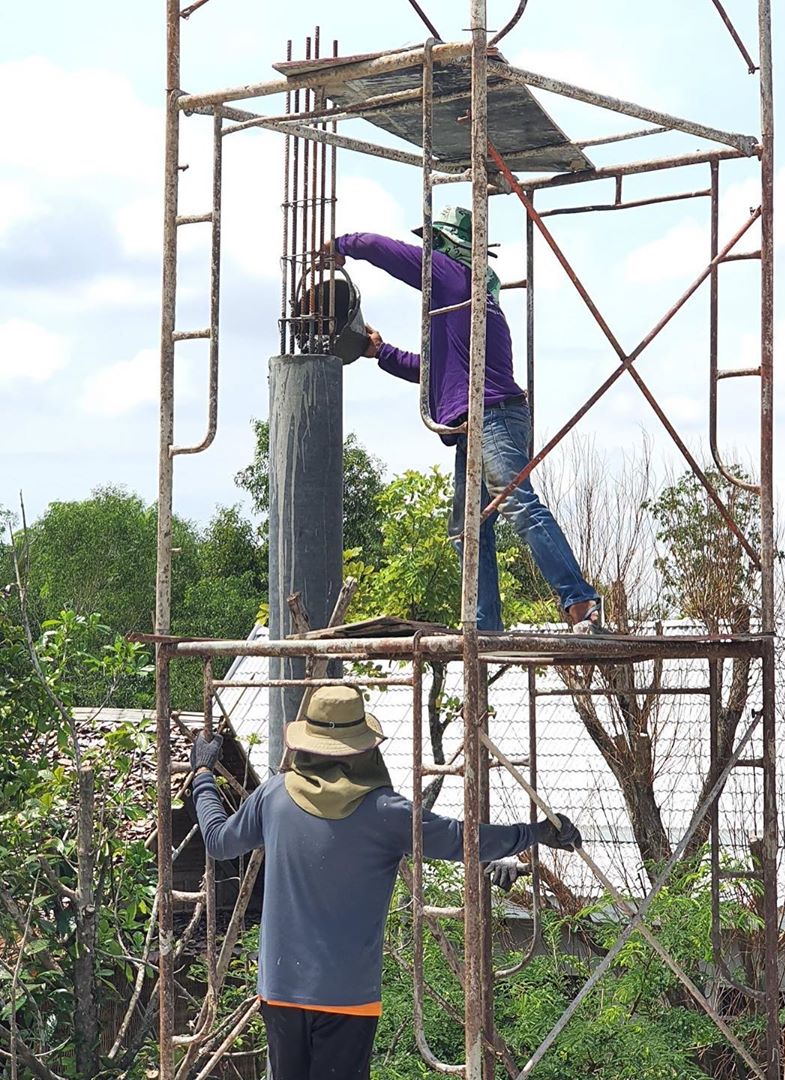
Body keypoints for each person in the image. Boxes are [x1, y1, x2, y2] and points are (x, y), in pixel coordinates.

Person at [189, 685, 582, 1080]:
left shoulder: (273, 797)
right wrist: (536, 833)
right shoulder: (386, 813)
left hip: (281, 991)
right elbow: (464, 840)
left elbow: (219, 840)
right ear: (364, 749)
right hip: (348, 996)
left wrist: (203, 773)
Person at [323, 207, 605, 633]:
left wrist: (340, 246)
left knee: (518, 504)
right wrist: (378, 352)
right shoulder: (468, 305)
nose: (427, 251)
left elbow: (389, 252)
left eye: (434, 243)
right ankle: (484, 624)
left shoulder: (454, 278)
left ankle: (580, 602)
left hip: (492, 419)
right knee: (467, 530)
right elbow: (434, 371)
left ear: (450, 247)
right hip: (477, 423)